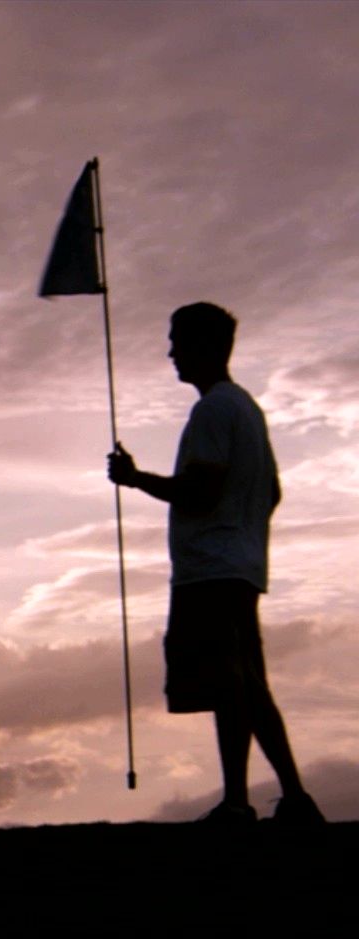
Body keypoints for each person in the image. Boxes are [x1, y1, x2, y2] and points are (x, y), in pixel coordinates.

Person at [107, 302, 324, 827]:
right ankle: (276, 798)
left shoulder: (212, 412)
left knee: (234, 685)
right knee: (246, 682)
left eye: (178, 341)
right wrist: (246, 533)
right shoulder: (245, 408)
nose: (171, 353)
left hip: (212, 569)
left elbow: (200, 492)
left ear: (203, 346)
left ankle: (248, 801)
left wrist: (136, 479)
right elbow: (271, 490)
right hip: (240, 564)